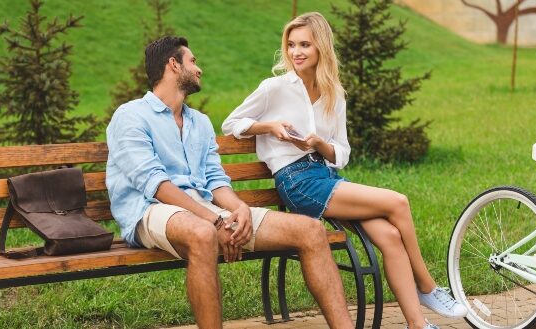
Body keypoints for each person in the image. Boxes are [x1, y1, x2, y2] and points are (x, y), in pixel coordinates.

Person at [221, 13, 467, 329]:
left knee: (390, 236)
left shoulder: (334, 93)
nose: (296, 52)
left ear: (321, 47)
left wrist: (319, 144)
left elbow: (342, 153)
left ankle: (417, 324)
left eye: (305, 45)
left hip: (325, 176)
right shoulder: (275, 88)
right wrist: (270, 126)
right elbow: (232, 123)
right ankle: (428, 286)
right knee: (399, 202)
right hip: (297, 182)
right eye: (292, 45)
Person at [106, 36, 353, 329]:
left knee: (311, 230)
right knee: (202, 234)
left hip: (204, 210)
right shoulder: (130, 116)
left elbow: (214, 180)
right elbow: (157, 185)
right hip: (150, 210)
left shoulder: (199, 122)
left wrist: (239, 209)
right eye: (193, 61)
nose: (199, 69)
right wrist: (215, 223)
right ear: (173, 65)